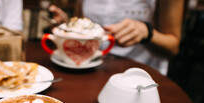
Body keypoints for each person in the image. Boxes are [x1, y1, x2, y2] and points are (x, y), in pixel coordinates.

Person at [49, 0, 185, 75]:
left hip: (140, 74)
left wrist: (146, 33)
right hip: (92, 69)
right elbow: (84, 22)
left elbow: (173, 47)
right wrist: (69, 28)